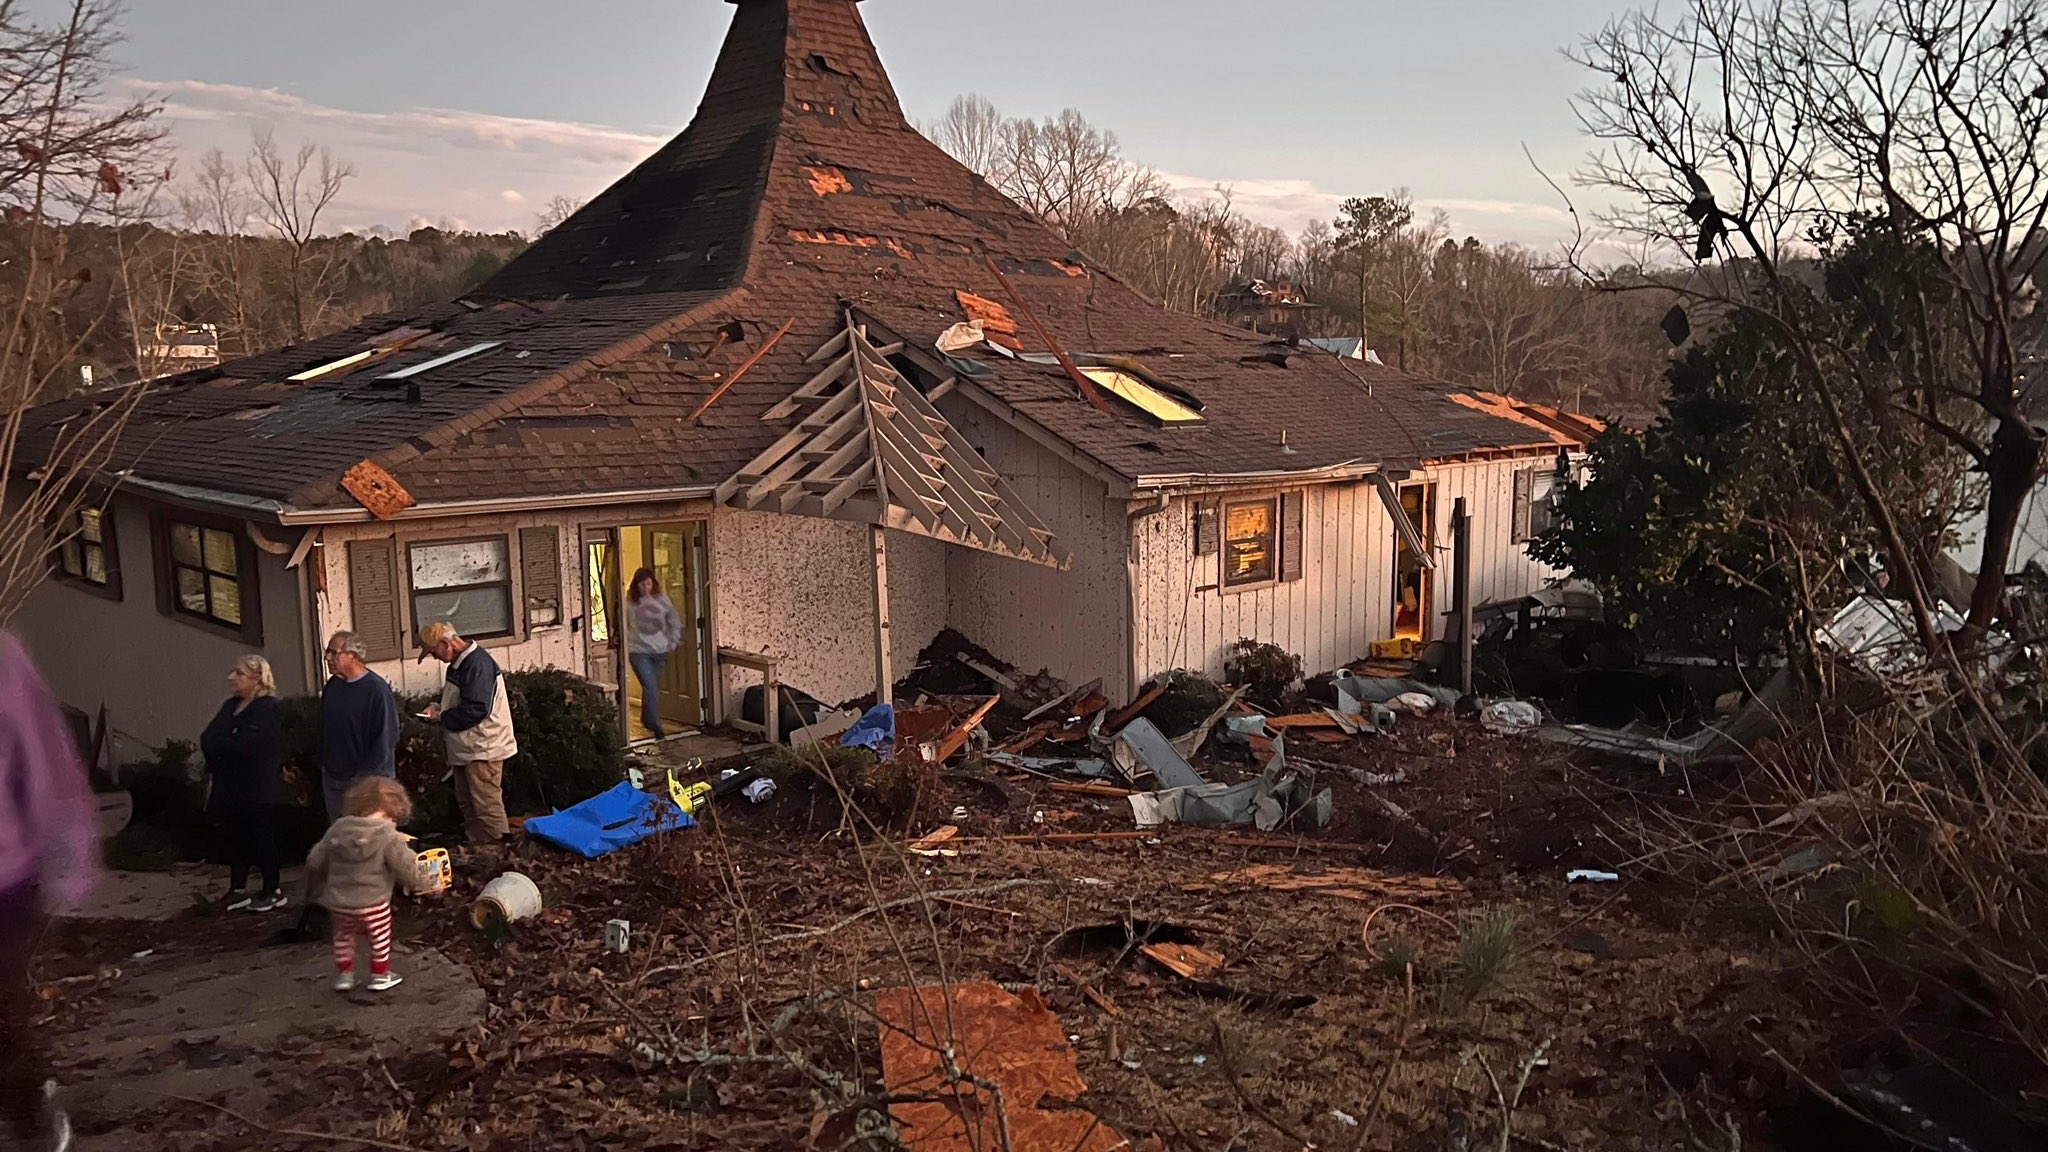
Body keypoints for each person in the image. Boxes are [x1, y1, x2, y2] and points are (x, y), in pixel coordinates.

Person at [0, 631, 97, 1152]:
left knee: (3, 1008)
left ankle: (29, 1113)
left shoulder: (3, 660)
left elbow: (43, 761)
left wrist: (65, 856)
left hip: (4, 876)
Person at [304, 776, 420, 992]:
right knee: (380, 937)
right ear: (394, 810)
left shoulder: (337, 829)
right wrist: (423, 883)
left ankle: (345, 976)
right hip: (374, 902)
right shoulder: (388, 836)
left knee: (343, 937)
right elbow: (407, 867)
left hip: (340, 903)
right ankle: (380, 975)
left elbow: (314, 861)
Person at [418, 622, 517, 848]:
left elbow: (476, 709)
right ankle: (479, 849)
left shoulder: (477, 664)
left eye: (433, 652)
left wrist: (443, 717)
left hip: (484, 747)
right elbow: (459, 700)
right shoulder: (459, 663)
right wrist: (438, 706)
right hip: (468, 748)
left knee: (486, 805)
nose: (434, 657)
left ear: (446, 644)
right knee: (468, 803)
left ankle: (500, 852)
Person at [201, 655, 286, 912]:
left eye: (239, 674)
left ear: (257, 678)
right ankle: (237, 889)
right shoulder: (231, 706)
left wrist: (227, 743)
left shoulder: (268, 708)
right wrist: (229, 742)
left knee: (260, 836)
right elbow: (208, 738)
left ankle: (272, 889)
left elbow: (250, 746)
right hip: (229, 787)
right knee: (235, 838)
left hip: (256, 787)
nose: (232, 678)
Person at [319, 631, 398, 824]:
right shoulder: (333, 686)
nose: (327, 658)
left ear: (353, 656)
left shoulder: (376, 690)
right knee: (340, 833)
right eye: (327, 652)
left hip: (365, 782)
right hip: (334, 778)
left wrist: (367, 781)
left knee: (364, 833)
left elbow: (385, 739)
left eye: (334, 653)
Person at [626, 567, 684, 740]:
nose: (645, 588)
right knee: (650, 685)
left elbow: (673, 620)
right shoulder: (630, 603)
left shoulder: (662, 600)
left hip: (660, 651)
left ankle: (647, 719)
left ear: (653, 583)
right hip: (638, 650)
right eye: (642, 585)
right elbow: (622, 623)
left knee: (651, 688)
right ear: (636, 586)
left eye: (648, 584)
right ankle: (654, 724)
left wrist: (673, 641)